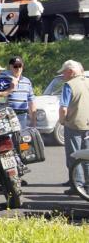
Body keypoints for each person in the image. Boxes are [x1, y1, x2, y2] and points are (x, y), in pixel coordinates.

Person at [57, 60, 89, 195]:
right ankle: (87, 184)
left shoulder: (69, 85)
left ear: (70, 72)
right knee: (87, 156)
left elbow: (63, 108)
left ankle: (77, 186)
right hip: (87, 124)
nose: (63, 75)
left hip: (74, 124)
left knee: (74, 156)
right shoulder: (87, 81)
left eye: (64, 72)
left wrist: (62, 121)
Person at [0, 56, 36, 129]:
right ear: (10, 67)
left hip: (22, 117)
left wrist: (33, 122)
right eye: (15, 66)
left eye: (20, 66)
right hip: (5, 117)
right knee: (8, 140)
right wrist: (10, 90)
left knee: (22, 139)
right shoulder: (2, 79)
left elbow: (31, 102)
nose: (18, 68)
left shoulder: (27, 82)